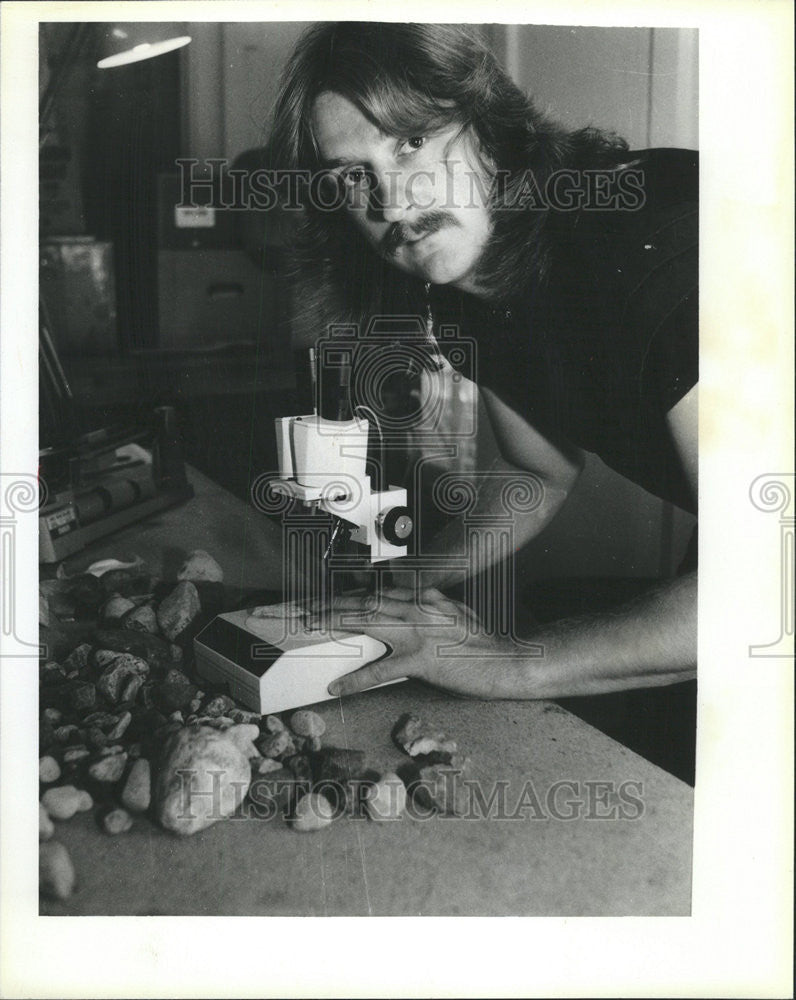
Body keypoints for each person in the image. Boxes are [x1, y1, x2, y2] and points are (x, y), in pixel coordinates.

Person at [268, 22, 698, 710]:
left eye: (411, 141)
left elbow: (764, 578)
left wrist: (506, 664)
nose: (392, 202)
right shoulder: (476, 288)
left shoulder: (659, 241)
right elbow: (538, 473)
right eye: (353, 175)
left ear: (490, 124)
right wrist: (403, 583)